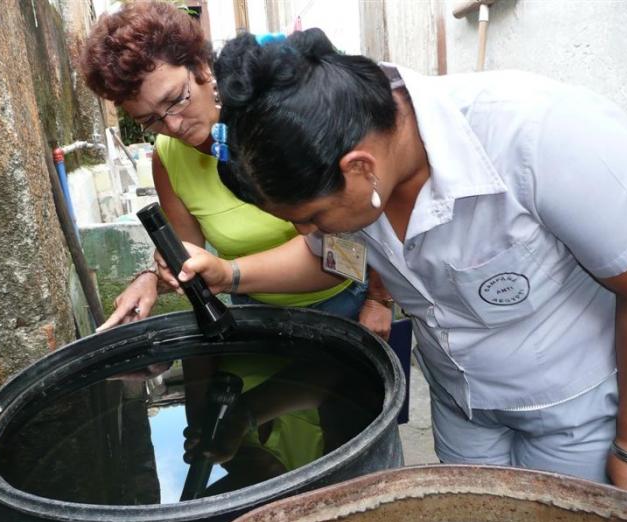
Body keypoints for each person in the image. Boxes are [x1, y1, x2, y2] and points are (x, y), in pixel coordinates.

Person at [173, 28, 627, 493]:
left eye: (312, 217)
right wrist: (229, 274)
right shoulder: (347, 165)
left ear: (360, 167)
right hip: (464, 409)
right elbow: (332, 261)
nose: (307, 232)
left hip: (572, 415)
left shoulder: (542, 137)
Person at [80, 1, 393, 339]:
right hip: (253, 311)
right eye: (151, 120)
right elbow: (187, 256)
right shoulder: (169, 157)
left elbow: (350, 247)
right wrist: (152, 278)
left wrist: (380, 297)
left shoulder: (278, 118)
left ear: (201, 66)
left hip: (340, 303)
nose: (173, 125)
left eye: (177, 99)